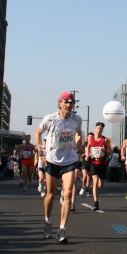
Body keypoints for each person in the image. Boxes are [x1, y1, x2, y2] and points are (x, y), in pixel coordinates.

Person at [35, 92, 83, 243]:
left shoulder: (77, 119)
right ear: (60, 103)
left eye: (71, 102)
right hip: (52, 160)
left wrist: (79, 150)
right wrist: (41, 153)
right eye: (65, 102)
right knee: (51, 194)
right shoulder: (50, 119)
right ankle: (48, 221)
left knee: (67, 193)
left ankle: (62, 229)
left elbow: (79, 134)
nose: (68, 105)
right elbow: (38, 133)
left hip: (69, 160)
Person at [86, 122, 112, 211]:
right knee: (95, 181)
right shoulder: (91, 139)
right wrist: (87, 155)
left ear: (102, 130)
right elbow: (88, 147)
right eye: (98, 128)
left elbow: (111, 151)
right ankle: (96, 202)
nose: (99, 130)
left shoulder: (105, 140)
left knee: (101, 184)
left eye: (101, 129)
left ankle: (97, 189)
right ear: (95, 129)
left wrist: (105, 150)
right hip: (94, 162)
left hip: (103, 163)